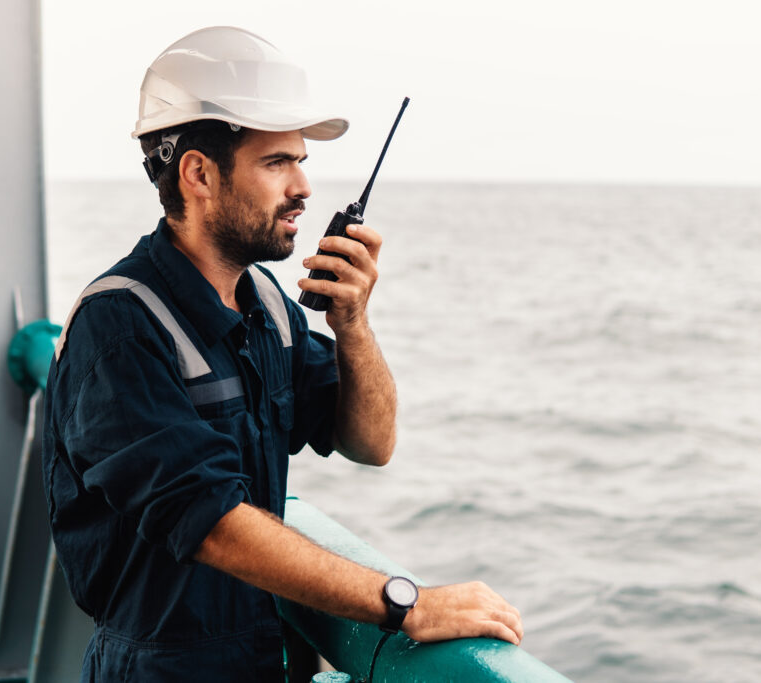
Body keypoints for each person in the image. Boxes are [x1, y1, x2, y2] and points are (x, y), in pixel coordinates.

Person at [43, 26, 523, 682]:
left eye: (301, 161)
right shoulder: (118, 328)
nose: (302, 186)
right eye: (276, 163)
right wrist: (405, 603)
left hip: (264, 659)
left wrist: (352, 323)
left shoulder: (266, 305)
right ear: (198, 174)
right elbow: (209, 523)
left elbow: (371, 442)